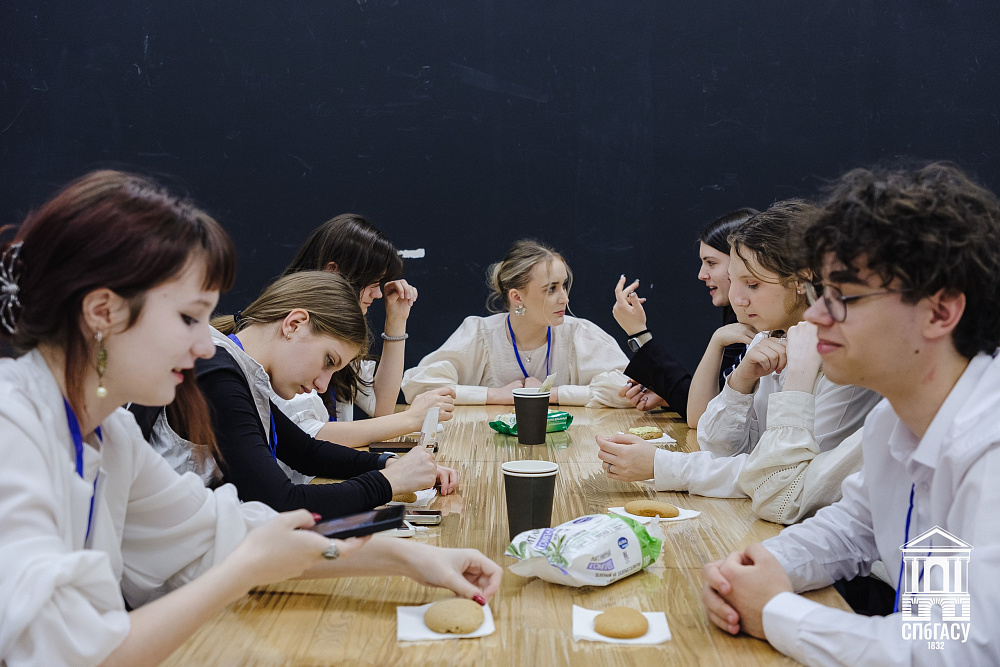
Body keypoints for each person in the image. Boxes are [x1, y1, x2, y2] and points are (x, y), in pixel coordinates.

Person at [0, 171, 501, 666]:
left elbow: (226, 534)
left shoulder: (112, 435)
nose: (204, 346)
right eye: (188, 318)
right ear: (101, 312)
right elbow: (65, 653)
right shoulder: (13, 429)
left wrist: (409, 558)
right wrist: (242, 571)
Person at [701, 162, 1000, 666]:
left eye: (844, 297)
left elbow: (961, 650)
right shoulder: (895, 419)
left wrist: (774, 612)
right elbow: (850, 527)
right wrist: (760, 567)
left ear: (940, 311)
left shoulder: (989, 449)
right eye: (821, 292)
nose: (816, 315)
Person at [597, 200, 882, 524]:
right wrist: (740, 383)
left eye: (753, 284)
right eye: (735, 282)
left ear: (801, 281)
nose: (738, 299)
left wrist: (663, 465)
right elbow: (718, 448)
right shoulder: (767, 336)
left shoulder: (843, 363)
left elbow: (783, 484)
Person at [139, 270, 460, 516]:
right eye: (328, 361)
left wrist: (387, 464)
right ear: (294, 324)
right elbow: (280, 500)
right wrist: (391, 483)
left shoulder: (238, 369)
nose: (322, 384)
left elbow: (305, 451)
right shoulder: (217, 374)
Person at [274, 214, 455, 448]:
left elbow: (380, 408)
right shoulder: (296, 334)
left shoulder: (331, 329)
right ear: (334, 273)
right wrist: (411, 418)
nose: (378, 294)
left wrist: (396, 321)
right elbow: (309, 436)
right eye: (373, 283)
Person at [401, 239, 631, 407]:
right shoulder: (480, 333)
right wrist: (495, 395)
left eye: (563, 285)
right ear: (517, 297)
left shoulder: (579, 333)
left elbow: (630, 390)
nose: (564, 298)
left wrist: (552, 394)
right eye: (551, 289)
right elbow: (419, 387)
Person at [612, 208, 759, 424]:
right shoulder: (734, 321)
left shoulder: (764, 330)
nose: (701, 274)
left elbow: (711, 415)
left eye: (711, 263)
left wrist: (639, 334)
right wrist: (669, 395)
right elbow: (713, 404)